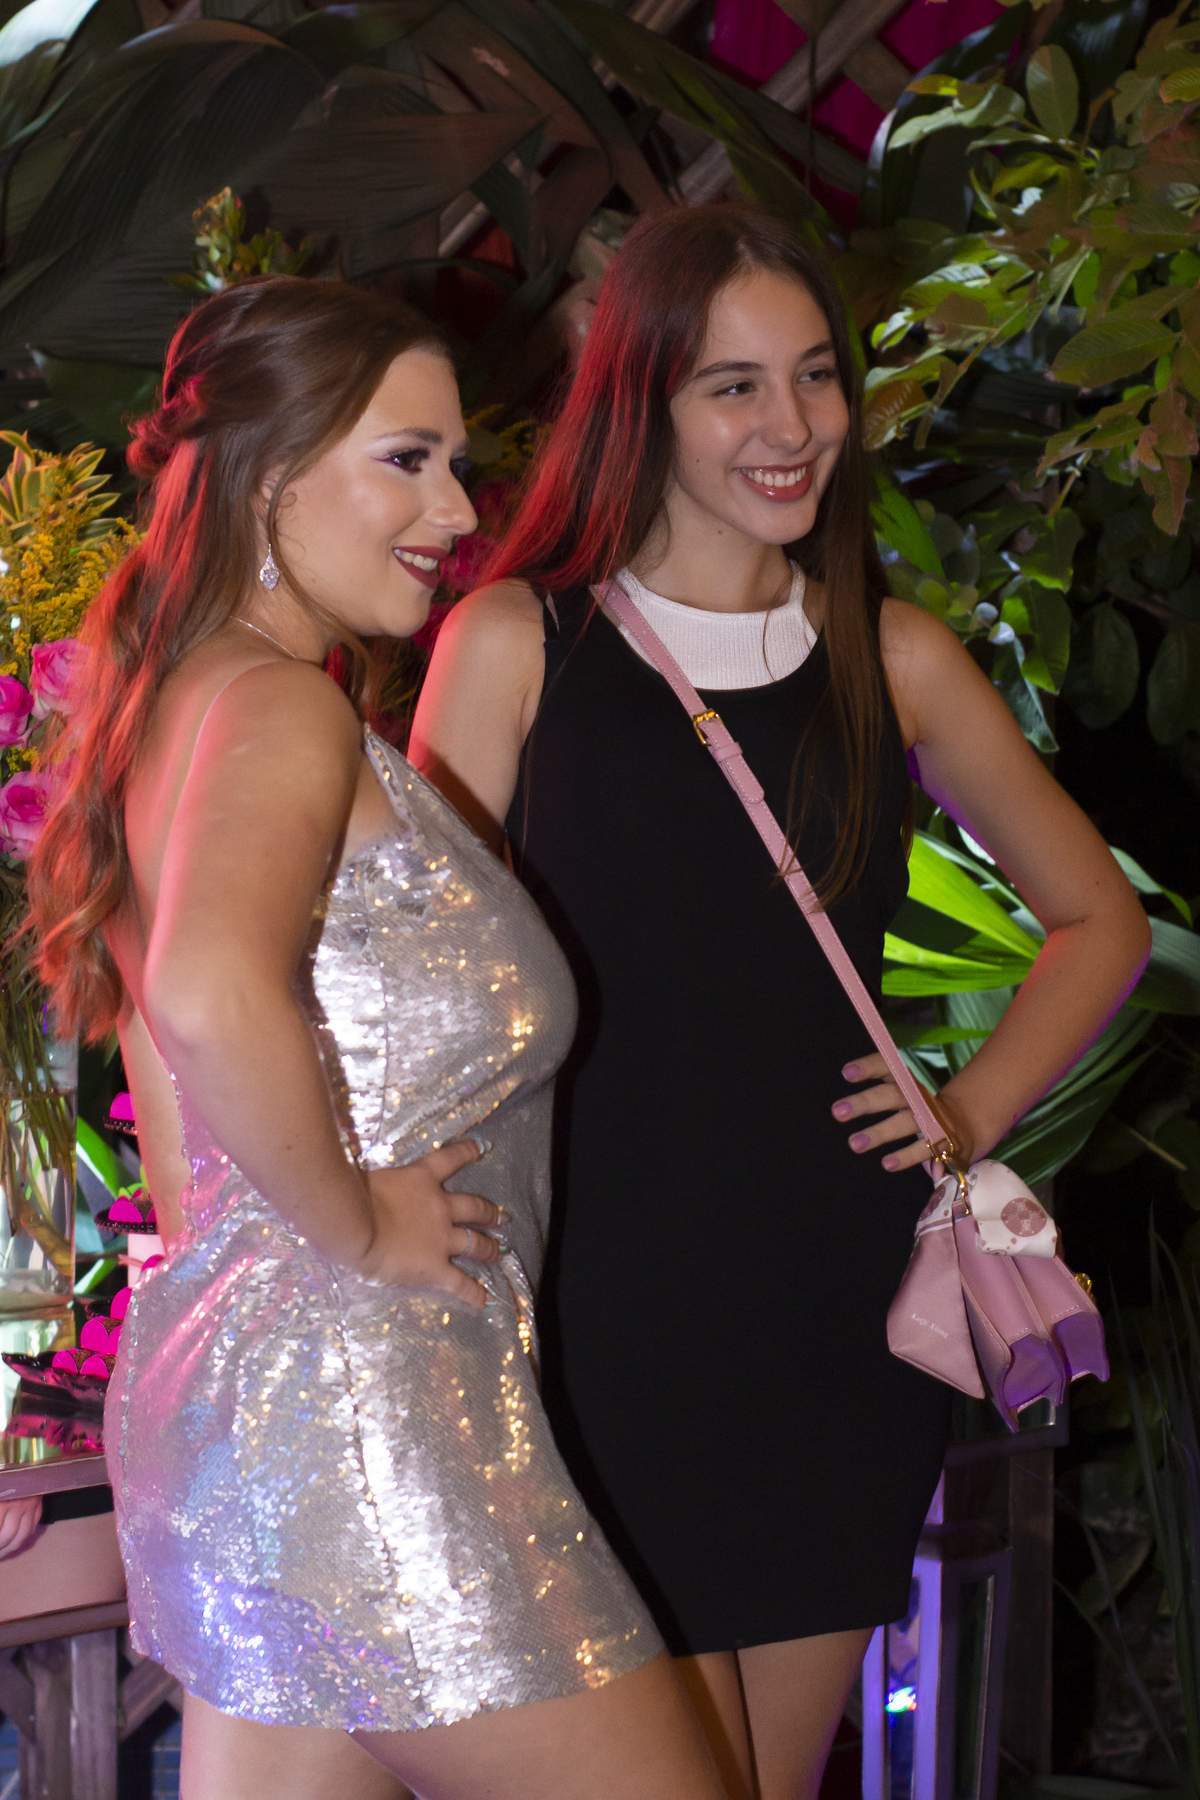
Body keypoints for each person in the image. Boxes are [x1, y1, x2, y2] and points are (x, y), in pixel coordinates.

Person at [410, 204, 1152, 1800]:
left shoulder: (895, 655)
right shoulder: (516, 639)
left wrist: (967, 1110)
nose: (791, 424)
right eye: (733, 385)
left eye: (814, 375)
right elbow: (420, 977)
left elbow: (1100, 921)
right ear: (646, 401)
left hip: (830, 1305)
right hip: (588, 1310)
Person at [27, 276, 724, 1800]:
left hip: (266, 1412)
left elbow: (183, 1147)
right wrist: (358, 1224)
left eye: (454, 464)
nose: (456, 510)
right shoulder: (281, 712)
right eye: (406, 460)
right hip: (375, 1413)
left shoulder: (177, 708)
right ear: (270, 476)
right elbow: (207, 994)